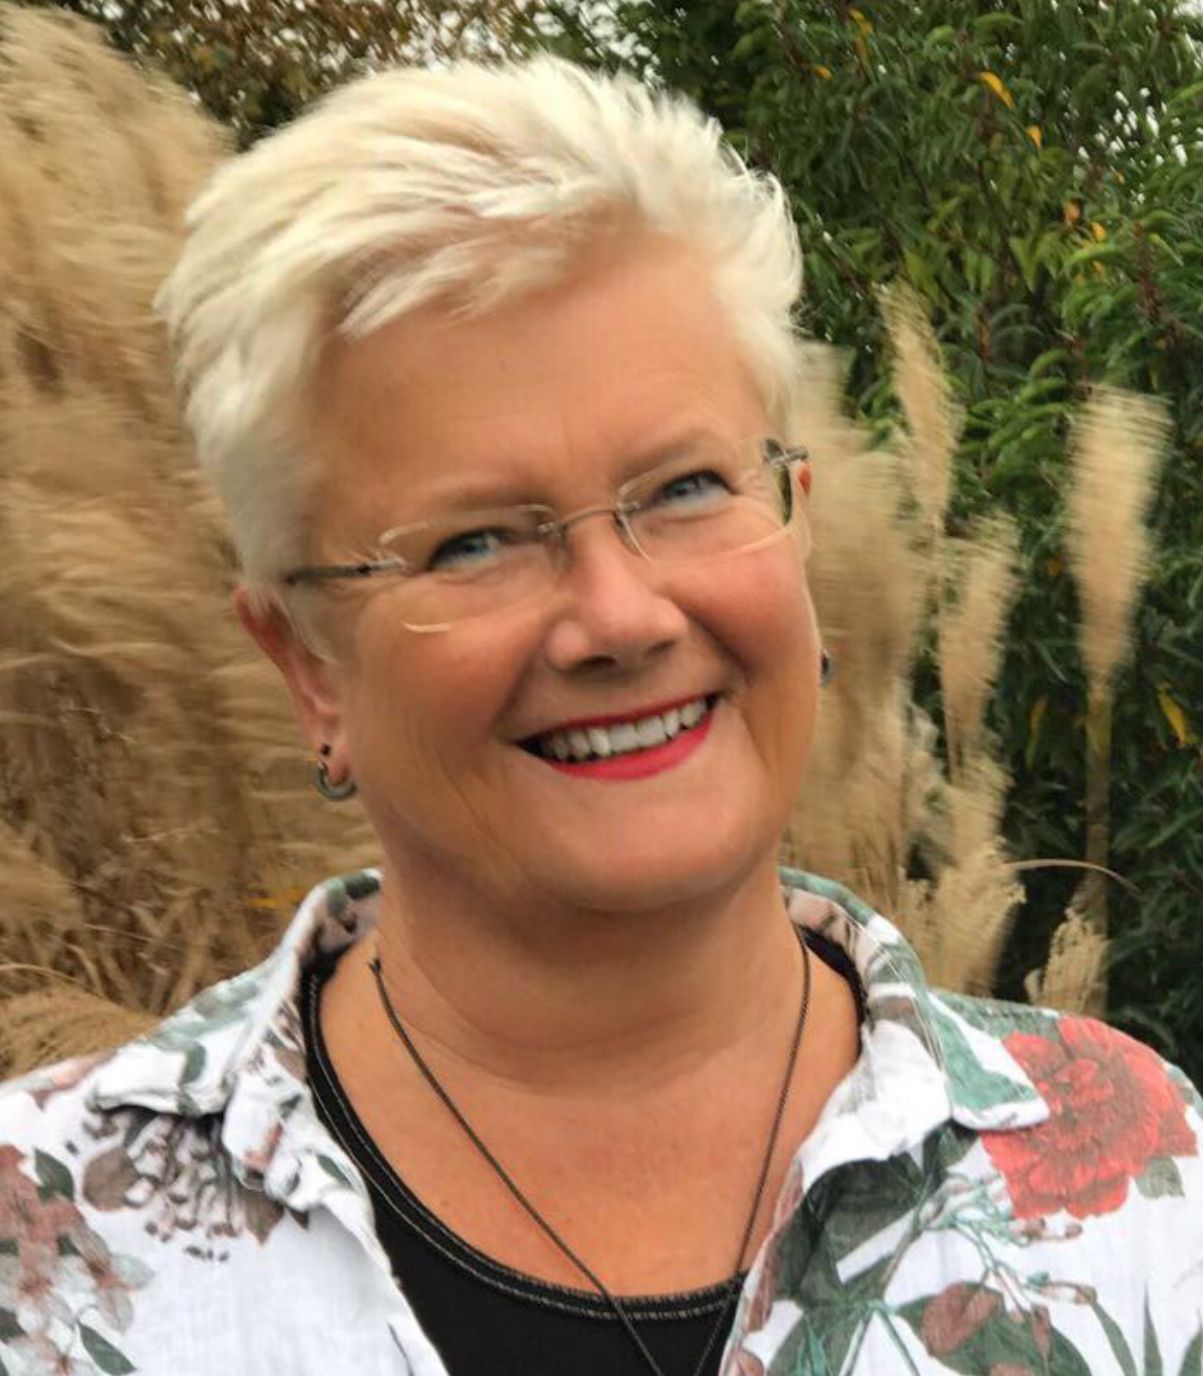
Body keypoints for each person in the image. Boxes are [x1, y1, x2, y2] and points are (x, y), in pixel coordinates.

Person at [1, 55, 1200, 1376]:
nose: (621, 616)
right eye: (471, 543)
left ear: (794, 523)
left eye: (686, 488)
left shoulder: (1135, 1190)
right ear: (309, 668)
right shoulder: (49, 1254)